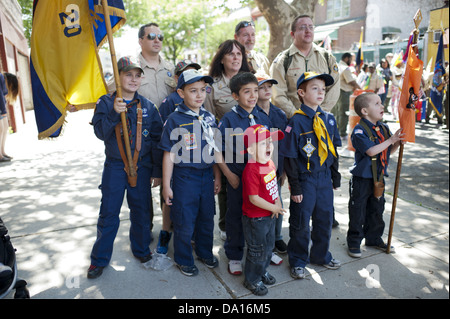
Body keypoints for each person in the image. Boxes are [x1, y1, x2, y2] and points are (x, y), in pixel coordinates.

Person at [87, 56, 163, 279]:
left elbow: (157, 140)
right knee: (108, 213)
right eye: (128, 74)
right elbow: (100, 133)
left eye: (137, 75)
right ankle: (99, 259)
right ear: (118, 77)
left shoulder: (148, 106)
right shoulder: (105, 102)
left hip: (142, 167)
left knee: (141, 211)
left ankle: (141, 250)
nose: (133, 79)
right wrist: (113, 112)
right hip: (115, 167)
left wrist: (157, 171)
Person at [159, 69, 221, 276]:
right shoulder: (174, 120)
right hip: (185, 178)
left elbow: (214, 150)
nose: (199, 95)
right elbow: (168, 154)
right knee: (185, 220)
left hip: (206, 176)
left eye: (203, 90)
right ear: (181, 93)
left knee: (206, 218)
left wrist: (217, 177)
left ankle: (204, 252)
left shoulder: (209, 118)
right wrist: (167, 186)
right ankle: (183, 258)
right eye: (193, 90)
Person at [280, 72, 342, 279]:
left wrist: (335, 176)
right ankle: (298, 260)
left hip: (324, 178)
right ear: (301, 92)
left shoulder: (329, 119)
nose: (320, 92)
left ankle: (321, 255)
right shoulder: (295, 122)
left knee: (325, 220)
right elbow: (289, 157)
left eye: (323, 89)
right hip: (305, 180)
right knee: (300, 222)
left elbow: (333, 150)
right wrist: (295, 187)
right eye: (315, 88)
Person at [217, 72, 271, 275]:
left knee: (260, 216)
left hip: (260, 179)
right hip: (238, 178)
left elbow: (269, 147)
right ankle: (234, 254)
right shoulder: (229, 119)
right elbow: (217, 150)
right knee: (236, 215)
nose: (253, 96)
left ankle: (262, 250)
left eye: (255, 90)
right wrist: (228, 175)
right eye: (246, 91)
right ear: (235, 96)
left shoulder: (263, 116)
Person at [347, 92, 405, 258]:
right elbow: (371, 151)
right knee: (358, 212)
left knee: (376, 210)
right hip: (362, 180)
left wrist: (397, 143)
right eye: (377, 104)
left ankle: (373, 238)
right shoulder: (359, 130)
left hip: (378, 178)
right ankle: (354, 242)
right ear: (365, 111)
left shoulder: (383, 128)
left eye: (381, 103)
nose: (382, 106)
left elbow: (387, 151)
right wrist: (391, 140)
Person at [204, 39, 251, 241]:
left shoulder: (250, 81)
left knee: (250, 185)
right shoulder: (212, 86)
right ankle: (225, 225)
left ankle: (250, 222)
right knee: (226, 186)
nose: (235, 57)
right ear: (221, 58)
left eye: (239, 54)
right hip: (224, 146)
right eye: (231, 54)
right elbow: (208, 121)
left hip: (251, 146)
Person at [156, 60, 201, 255]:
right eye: (186, 73)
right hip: (175, 160)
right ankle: (165, 232)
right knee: (170, 200)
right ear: (177, 79)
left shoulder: (199, 98)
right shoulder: (169, 103)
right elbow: (162, 135)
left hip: (196, 161)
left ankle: (190, 234)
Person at [241, 124, 285, 296]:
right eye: (262, 143)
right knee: (257, 250)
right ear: (251, 150)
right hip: (256, 219)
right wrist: (274, 207)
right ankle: (251, 279)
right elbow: (254, 198)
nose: (268, 146)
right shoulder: (251, 170)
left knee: (268, 247)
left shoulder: (270, 163)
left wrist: (278, 203)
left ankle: (262, 270)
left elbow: (273, 187)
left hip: (269, 215)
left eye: (270, 142)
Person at [270, 14, 340, 118]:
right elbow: (278, 95)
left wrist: (320, 113)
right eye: (302, 27)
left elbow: (334, 88)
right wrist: (297, 116)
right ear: (293, 34)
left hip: (320, 120)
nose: (308, 31)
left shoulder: (327, 57)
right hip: (292, 121)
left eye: (311, 27)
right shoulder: (283, 60)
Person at [256, 75, 288, 261]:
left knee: (278, 202)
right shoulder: (253, 114)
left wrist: (283, 170)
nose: (267, 90)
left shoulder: (279, 114)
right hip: (259, 169)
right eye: (262, 87)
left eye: (270, 86)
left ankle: (277, 237)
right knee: (261, 205)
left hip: (276, 168)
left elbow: (283, 145)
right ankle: (263, 240)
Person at [137, 23, 176, 109]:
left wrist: (197, 123)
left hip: (170, 121)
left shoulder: (171, 69)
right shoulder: (131, 68)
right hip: (143, 121)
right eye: (151, 36)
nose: (157, 40)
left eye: (160, 37)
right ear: (141, 41)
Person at [333, 53, 360, 139]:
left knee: (337, 112)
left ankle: (337, 131)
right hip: (344, 92)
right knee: (343, 113)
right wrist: (360, 89)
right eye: (351, 59)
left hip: (337, 91)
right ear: (346, 58)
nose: (351, 61)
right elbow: (351, 81)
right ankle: (342, 133)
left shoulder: (337, 66)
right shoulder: (345, 68)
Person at [0, 72, 18, 162]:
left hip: (1, 108)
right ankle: (0, 154)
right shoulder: (1, 77)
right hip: (1, 109)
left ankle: (2, 152)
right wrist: (3, 111)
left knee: (5, 128)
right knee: (1, 129)